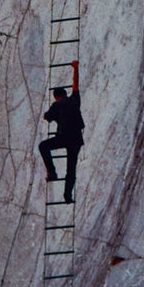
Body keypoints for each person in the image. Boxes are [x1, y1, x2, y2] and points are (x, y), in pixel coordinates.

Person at [39, 59, 84, 203]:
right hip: (76, 139)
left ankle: (52, 172)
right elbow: (75, 84)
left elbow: (47, 117)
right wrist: (75, 68)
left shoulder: (57, 105)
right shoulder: (75, 99)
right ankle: (67, 195)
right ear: (65, 94)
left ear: (56, 97)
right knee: (71, 168)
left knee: (43, 146)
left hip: (63, 137)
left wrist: (49, 114)